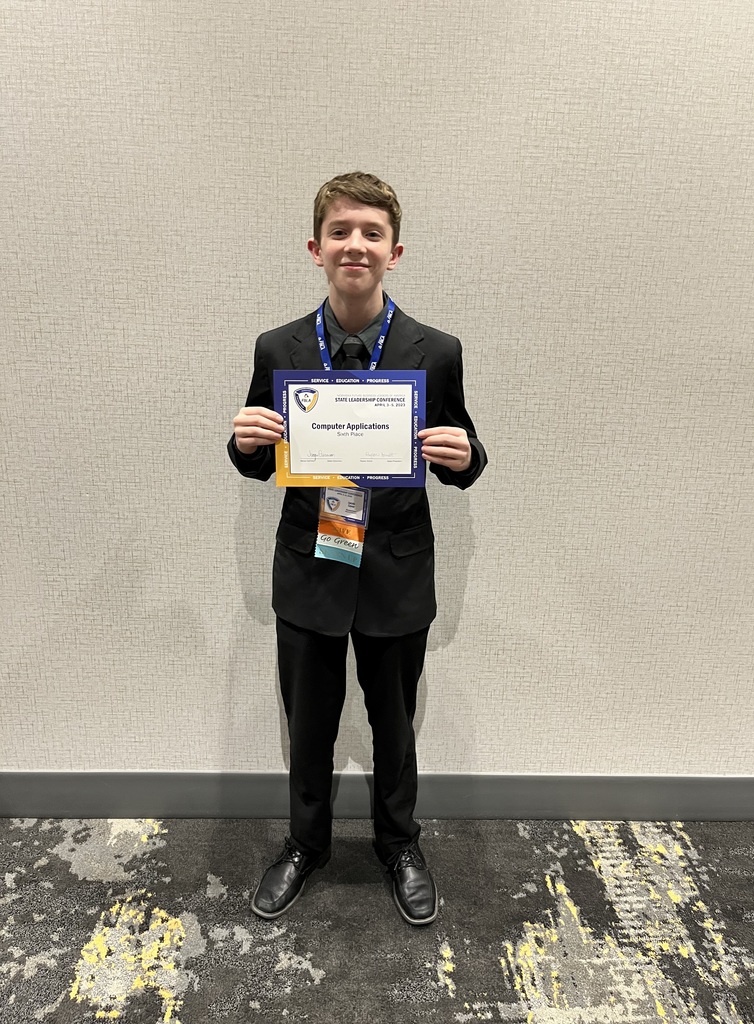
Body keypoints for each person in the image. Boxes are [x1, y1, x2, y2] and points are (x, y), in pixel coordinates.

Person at [228, 172, 487, 926]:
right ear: (316, 248)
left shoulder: (437, 351)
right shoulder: (278, 347)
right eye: (340, 231)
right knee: (307, 722)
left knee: (395, 725)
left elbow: (466, 455)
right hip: (311, 565)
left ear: (393, 252)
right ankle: (304, 845)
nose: (355, 245)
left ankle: (399, 845)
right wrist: (243, 443)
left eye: (372, 233)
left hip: (396, 571)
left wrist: (465, 456)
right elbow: (257, 459)